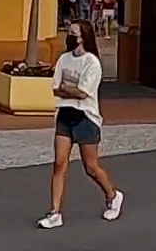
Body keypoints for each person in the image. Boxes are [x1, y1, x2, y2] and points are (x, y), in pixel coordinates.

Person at [38, 19, 124, 229]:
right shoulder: (64, 59)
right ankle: (55, 212)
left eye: (74, 33)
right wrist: (69, 89)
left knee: (91, 167)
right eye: (69, 32)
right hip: (65, 115)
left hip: (86, 117)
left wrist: (68, 89)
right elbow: (56, 88)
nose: (70, 35)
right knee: (59, 163)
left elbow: (83, 92)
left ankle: (112, 195)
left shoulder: (92, 63)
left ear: (83, 37)